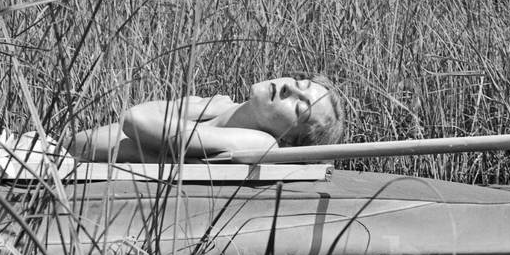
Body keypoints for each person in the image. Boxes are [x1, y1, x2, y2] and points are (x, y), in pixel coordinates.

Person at [69, 75, 346, 162]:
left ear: (288, 140)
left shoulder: (260, 143)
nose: (290, 88)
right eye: (300, 82)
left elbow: (135, 119)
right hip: (56, 153)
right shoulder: (219, 105)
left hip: (66, 166)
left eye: (300, 107)